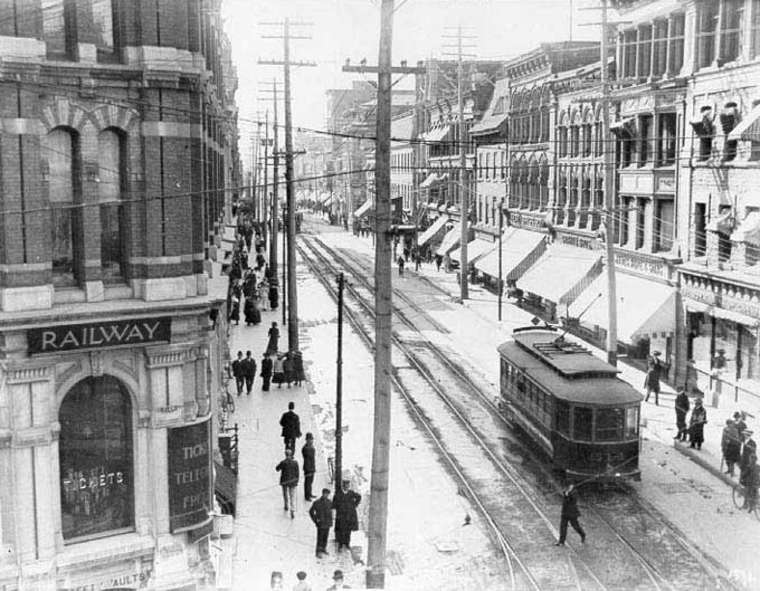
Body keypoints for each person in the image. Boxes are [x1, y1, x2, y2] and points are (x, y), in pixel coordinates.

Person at [332, 479, 361, 551]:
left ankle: (347, 543)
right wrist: (337, 507)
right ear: (343, 486)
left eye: (347, 486)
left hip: (349, 515)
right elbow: (334, 503)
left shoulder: (351, 493)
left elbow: (359, 497)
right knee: (341, 529)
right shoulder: (338, 494)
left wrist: (354, 505)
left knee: (348, 530)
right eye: (345, 486)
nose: (346, 487)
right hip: (341, 515)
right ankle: (340, 544)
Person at [309, 488, 333, 558]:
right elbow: (311, 512)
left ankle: (323, 548)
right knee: (320, 538)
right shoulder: (317, 502)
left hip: (327, 523)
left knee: (325, 537)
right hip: (321, 524)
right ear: (322, 493)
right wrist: (315, 520)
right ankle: (318, 551)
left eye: (327, 494)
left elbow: (331, 512)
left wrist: (331, 521)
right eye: (325, 494)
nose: (326, 495)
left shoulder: (329, 502)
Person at [275, 449, 299, 519]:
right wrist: (296, 481)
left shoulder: (283, 462)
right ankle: (292, 509)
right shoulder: (295, 463)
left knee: (285, 494)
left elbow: (277, 469)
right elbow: (297, 473)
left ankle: (286, 505)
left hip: (285, 481)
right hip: (293, 482)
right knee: (292, 496)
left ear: (285, 454)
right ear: (291, 455)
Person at [302, 433, 316, 501]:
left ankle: (309, 493)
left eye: (312, 439)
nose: (311, 441)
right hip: (308, 468)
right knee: (307, 483)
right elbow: (308, 459)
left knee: (310, 482)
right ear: (307, 440)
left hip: (312, 467)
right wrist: (309, 469)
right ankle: (307, 496)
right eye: (310, 439)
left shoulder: (310, 447)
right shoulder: (306, 448)